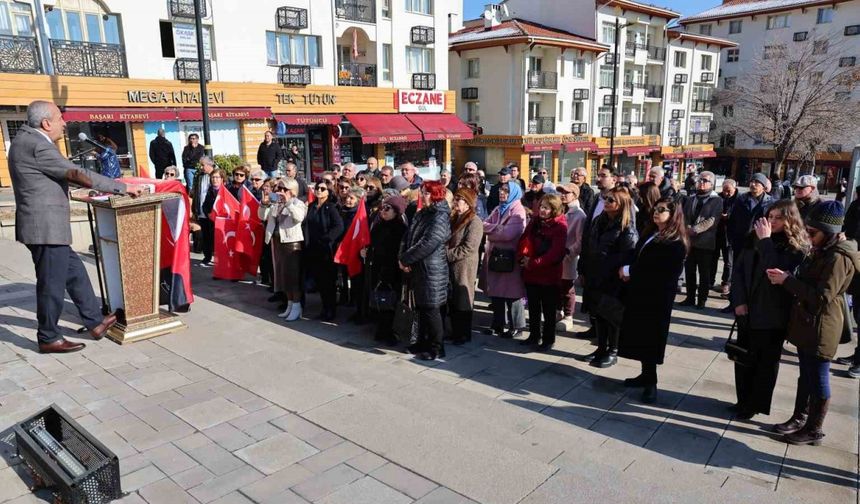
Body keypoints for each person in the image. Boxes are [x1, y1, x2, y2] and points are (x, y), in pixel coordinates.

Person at [9, 100, 144, 354]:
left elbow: (49, 177)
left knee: (75, 273)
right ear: (46, 123)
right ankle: (48, 336)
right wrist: (123, 187)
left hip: (46, 227)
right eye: (60, 118)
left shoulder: (27, 140)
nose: (64, 123)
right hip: (45, 229)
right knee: (51, 284)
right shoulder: (37, 144)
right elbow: (74, 173)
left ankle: (94, 322)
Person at [767, 201, 859, 445]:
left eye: (813, 232)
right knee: (805, 376)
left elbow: (822, 297)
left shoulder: (839, 257)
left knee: (818, 378)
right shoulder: (823, 249)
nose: (808, 236)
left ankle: (814, 430)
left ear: (829, 232)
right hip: (808, 323)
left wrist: (787, 281)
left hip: (822, 326)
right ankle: (800, 418)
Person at [731, 200, 809, 420]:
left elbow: (774, 271)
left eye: (778, 218)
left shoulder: (795, 247)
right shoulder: (753, 238)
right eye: (770, 216)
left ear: (789, 220)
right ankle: (742, 400)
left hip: (772, 314)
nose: (771, 221)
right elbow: (737, 271)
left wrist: (765, 241)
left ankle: (755, 404)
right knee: (743, 358)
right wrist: (738, 301)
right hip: (746, 308)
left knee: (765, 362)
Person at [617, 197, 688, 403]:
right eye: (656, 209)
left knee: (650, 340)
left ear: (673, 215)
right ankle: (645, 375)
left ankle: (651, 384)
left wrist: (630, 270)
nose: (657, 213)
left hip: (656, 298)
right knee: (639, 337)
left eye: (663, 210)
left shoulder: (675, 242)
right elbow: (638, 255)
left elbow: (658, 271)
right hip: (640, 293)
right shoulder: (652, 232)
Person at [579, 187, 637, 367]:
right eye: (606, 199)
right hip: (595, 274)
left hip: (612, 279)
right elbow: (588, 244)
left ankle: (613, 350)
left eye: (611, 200)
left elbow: (628, 255)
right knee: (598, 314)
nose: (606, 202)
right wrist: (583, 267)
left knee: (611, 316)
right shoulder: (598, 221)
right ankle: (601, 347)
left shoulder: (626, 228)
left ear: (621, 205)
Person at [399, 181, 451, 361]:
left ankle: (437, 347)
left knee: (431, 308)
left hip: (432, 269)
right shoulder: (423, 213)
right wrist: (403, 256)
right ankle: (421, 342)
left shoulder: (440, 215)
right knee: (421, 307)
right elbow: (409, 236)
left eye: (427, 193)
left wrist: (406, 258)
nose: (423, 196)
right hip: (418, 268)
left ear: (436, 194)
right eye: (422, 192)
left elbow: (429, 242)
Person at [518, 194, 568, 351]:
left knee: (548, 309)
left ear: (554, 210)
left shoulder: (560, 227)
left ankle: (548, 339)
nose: (542, 210)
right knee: (533, 307)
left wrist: (533, 263)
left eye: (546, 208)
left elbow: (555, 253)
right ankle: (534, 335)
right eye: (541, 207)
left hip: (548, 275)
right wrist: (522, 258)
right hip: (531, 273)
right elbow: (523, 239)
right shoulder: (534, 222)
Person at [575, 165, 619, 340]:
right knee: (592, 298)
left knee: (606, 302)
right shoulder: (597, 198)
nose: (599, 178)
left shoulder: (620, 200)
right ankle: (595, 330)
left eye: (604, 176)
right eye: (598, 175)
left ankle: (608, 341)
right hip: (591, 257)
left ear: (614, 179)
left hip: (607, 260)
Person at [482, 181, 527, 338]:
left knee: (513, 294)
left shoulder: (518, 210)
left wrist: (494, 230)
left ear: (513, 193)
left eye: (506, 191)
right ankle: (498, 324)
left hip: (510, 258)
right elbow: (483, 225)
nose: (502, 193)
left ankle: (517, 326)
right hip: (496, 256)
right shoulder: (498, 208)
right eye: (501, 190)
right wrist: (498, 228)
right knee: (496, 293)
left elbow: (508, 234)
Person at [261, 178, 307, 321]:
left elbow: (299, 217)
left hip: (291, 243)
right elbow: (262, 216)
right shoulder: (276, 204)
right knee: (283, 278)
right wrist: (264, 204)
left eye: (284, 189)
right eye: (279, 189)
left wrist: (288, 202)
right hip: (277, 242)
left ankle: (297, 306)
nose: (280, 192)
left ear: (292, 191)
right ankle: (290, 304)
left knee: (292, 277)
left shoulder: (297, 203)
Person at [366, 195, 408, 345]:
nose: (383, 211)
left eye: (387, 208)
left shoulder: (400, 228)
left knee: (390, 300)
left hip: (392, 269)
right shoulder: (379, 225)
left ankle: (388, 330)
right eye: (382, 207)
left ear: (396, 211)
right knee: (380, 298)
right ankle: (381, 329)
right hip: (378, 267)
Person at [680, 171, 723, 310]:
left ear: (712, 184)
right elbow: (684, 215)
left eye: (705, 181)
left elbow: (712, 220)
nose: (701, 183)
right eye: (700, 180)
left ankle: (702, 300)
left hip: (705, 243)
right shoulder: (692, 198)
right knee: (689, 271)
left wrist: (695, 229)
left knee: (704, 273)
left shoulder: (716, 200)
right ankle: (690, 297)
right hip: (689, 242)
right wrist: (686, 228)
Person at [446, 188, 483, 345]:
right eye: (455, 199)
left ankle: (463, 334)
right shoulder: (455, 218)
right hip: (452, 264)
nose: (455, 202)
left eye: (459, 200)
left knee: (463, 299)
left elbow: (469, 247)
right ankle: (454, 331)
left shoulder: (475, 222)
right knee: (453, 299)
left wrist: (447, 255)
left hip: (464, 266)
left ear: (468, 203)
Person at [305, 180, 344, 321]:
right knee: (320, 282)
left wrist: (327, 239)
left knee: (329, 282)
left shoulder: (331, 208)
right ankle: (324, 308)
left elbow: (339, 226)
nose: (319, 191)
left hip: (327, 250)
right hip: (313, 249)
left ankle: (331, 310)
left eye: (323, 188)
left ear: (328, 191)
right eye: (317, 188)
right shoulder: (311, 206)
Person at [556, 183, 586, 332]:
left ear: (575, 195)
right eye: (561, 192)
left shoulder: (580, 215)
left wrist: (570, 252)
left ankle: (569, 316)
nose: (563, 195)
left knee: (568, 287)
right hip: (555, 254)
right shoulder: (559, 210)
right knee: (556, 284)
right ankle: (558, 310)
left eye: (566, 193)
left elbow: (580, 239)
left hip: (568, 256)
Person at [712, 179, 738, 298]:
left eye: (729, 191)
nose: (726, 193)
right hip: (717, 233)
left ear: (734, 188)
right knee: (713, 258)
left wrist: (730, 216)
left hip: (730, 234)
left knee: (728, 261)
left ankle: (726, 283)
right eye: (724, 190)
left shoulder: (740, 199)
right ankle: (710, 281)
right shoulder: (718, 197)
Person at [191, 156, 216, 266]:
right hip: (201, 210)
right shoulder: (200, 176)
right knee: (205, 235)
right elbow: (196, 192)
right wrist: (194, 208)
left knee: (214, 235)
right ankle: (207, 257)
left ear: (209, 165)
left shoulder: (216, 176)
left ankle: (217, 258)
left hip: (211, 211)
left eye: (203, 165)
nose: (201, 167)